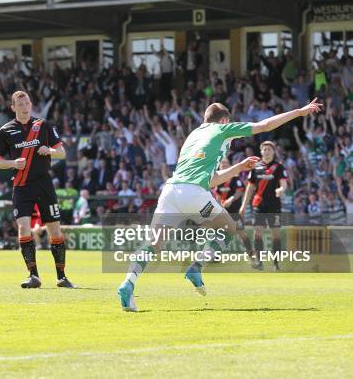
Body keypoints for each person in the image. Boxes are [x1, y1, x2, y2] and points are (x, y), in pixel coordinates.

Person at [117, 99, 322, 312]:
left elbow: (211, 179)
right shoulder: (222, 129)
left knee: (154, 243)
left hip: (170, 191)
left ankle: (128, 283)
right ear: (224, 120)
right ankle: (196, 267)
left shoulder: (192, 136)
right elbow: (264, 126)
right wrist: (299, 111)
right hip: (194, 192)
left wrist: (239, 167)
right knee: (229, 229)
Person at [0, 90, 76, 288]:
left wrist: (50, 151)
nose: (25, 107)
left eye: (27, 103)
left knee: (54, 229)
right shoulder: (6, 130)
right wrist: (13, 162)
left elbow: (62, 152)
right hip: (21, 185)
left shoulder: (43, 125)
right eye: (20, 104)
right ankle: (33, 276)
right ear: (13, 107)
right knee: (23, 226)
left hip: (44, 183)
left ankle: (62, 276)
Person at [239, 141, 288, 270]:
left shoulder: (278, 167)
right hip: (258, 205)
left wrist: (281, 190)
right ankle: (259, 262)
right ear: (261, 152)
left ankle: (276, 263)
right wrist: (243, 205)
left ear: (273, 151)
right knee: (257, 233)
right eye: (264, 149)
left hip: (274, 205)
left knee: (276, 235)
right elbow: (250, 187)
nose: (266, 151)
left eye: (269, 149)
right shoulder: (255, 167)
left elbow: (284, 183)